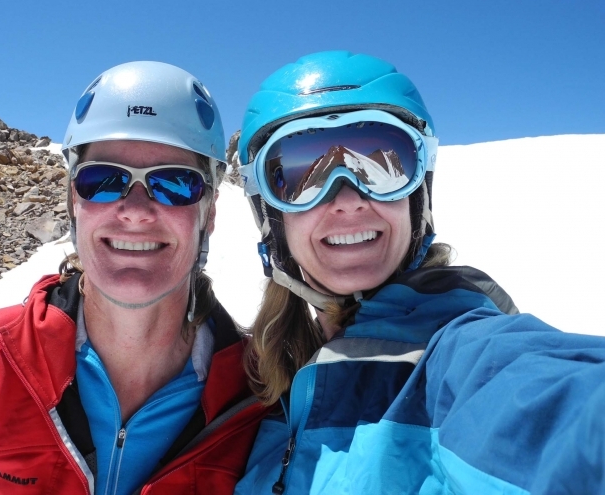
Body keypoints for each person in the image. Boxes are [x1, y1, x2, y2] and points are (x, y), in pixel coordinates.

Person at [233, 51, 605, 494]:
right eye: (301, 174)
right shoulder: (258, 390)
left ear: (418, 199)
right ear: (271, 219)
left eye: (382, 163)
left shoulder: (457, 356)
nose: (348, 197)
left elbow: (554, 412)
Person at [0, 61, 267, 494]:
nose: (136, 211)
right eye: (103, 180)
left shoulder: (255, 392)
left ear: (209, 213)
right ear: (73, 202)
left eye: (175, 184)